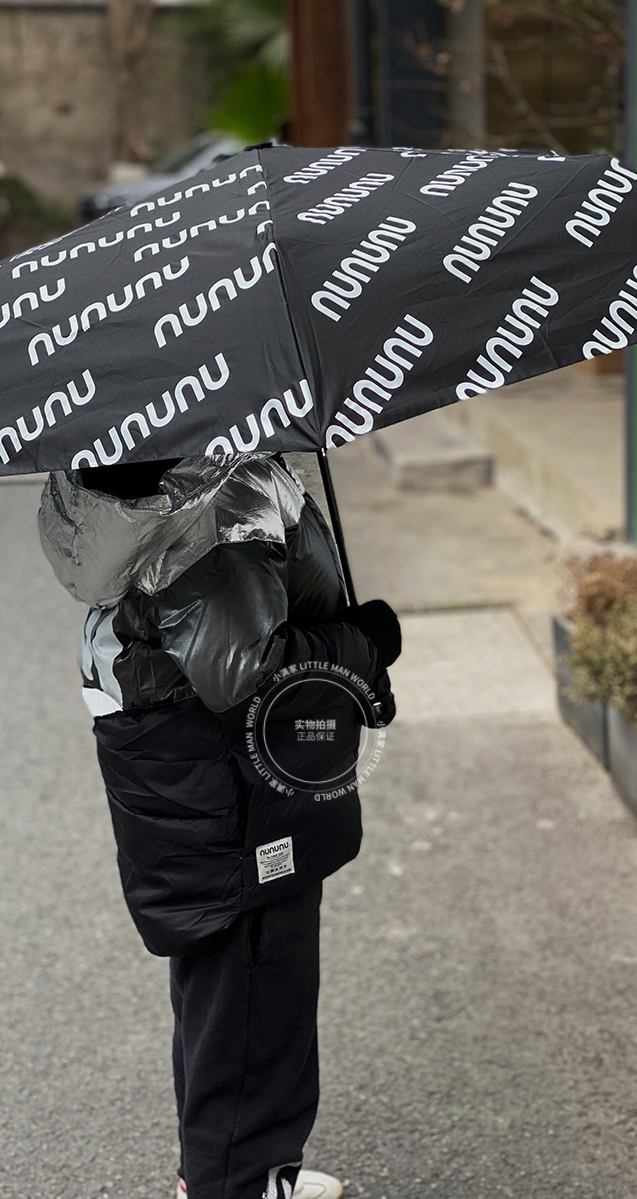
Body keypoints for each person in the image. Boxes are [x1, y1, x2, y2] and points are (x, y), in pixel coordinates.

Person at [38, 451, 402, 1199]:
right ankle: (234, 1182)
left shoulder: (154, 475)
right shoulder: (213, 500)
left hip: (194, 775)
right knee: (255, 984)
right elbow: (247, 670)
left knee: (225, 986)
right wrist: (362, 648)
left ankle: (237, 1170)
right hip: (234, 786)